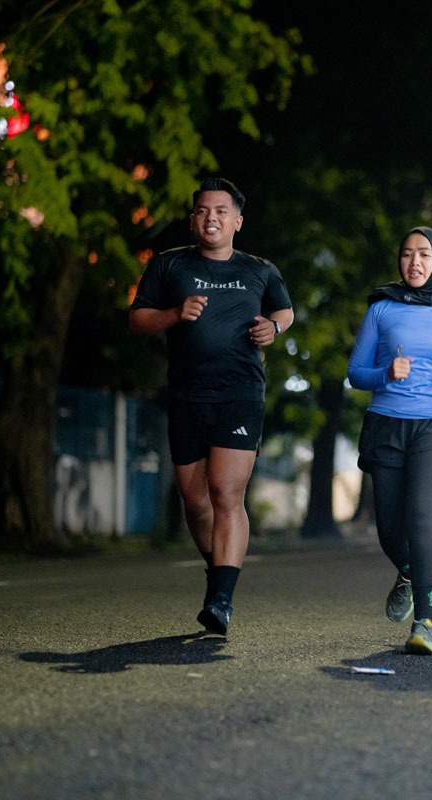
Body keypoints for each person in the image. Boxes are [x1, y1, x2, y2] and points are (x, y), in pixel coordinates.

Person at [129, 177, 293, 635]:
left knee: (225, 492)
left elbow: (285, 310)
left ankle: (221, 599)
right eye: (203, 210)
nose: (211, 218)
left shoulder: (260, 270)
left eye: (221, 211)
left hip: (240, 394)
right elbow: (138, 318)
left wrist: (273, 330)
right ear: (192, 219)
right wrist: (174, 315)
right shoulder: (169, 265)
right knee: (195, 502)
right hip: (185, 396)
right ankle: (219, 567)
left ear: (237, 221)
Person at [347, 227, 432, 656]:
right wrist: (386, 373)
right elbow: (356, 373)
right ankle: (408, 571)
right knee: (388, 529)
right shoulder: (381, 310)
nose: (415, 262)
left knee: (421, 518)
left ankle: (425, 623)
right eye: (407, 255)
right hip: (387, 423)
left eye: (424, 254)